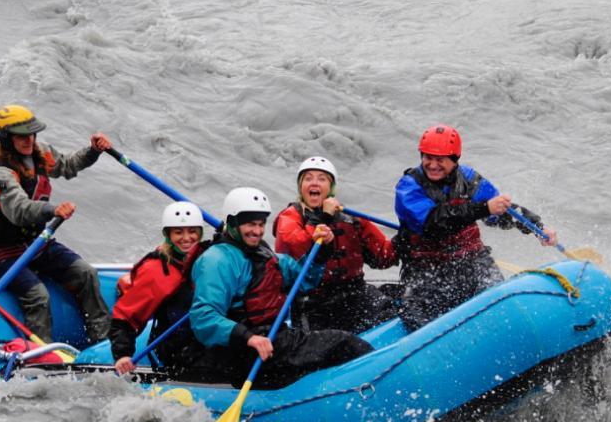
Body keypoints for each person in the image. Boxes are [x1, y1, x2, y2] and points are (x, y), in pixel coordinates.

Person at [185, 187, 374, 387]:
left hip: (274, 342)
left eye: (260, 224)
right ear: (232, 223)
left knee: (336, 346)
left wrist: (322, 250)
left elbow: (304, 279)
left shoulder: (264, 254)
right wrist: (248, 338)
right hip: (246, 353)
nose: (257, 231)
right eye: (250, 224)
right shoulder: (217, 260)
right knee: (344, 343)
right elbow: (203, 317)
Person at [0, 104, 112, 344]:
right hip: (1, 250)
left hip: (36, 242)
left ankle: (103, 341)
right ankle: (38, 355)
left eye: (31, 134)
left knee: (85, 273)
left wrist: (93, 151)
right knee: (38, 296)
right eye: (21, 136)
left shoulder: (39, 152)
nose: (29, 140)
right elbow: (20, 211)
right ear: (6, 138)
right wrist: (53, 209)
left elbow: (67, 165)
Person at [393, 124, 558, 330]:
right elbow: (434, 224)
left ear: (454, 159)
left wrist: (537, 228)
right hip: (427, 270)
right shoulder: (409, 187)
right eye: (428, 157)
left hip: (472, 262)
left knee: (498, 302)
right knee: (416, 319)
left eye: (440, 159)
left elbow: (500, 212)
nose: (433, 165)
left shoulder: (469, 179)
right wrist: (483, 209)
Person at [274, 156, 399, 332]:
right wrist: (323, 217)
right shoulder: (290, 217)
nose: (314, 183)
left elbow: (383, 256)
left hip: (355, 294)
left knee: (392, 314)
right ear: (301, 187)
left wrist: (406, 238)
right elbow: (296, 244)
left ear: (331, 188)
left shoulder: (350, 219)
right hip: (313, 303)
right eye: (308, 178)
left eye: (322, 179)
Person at [110, 201, 206, 375]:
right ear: (168, 235)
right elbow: (125, 317)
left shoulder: (208, 258)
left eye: (192, 231)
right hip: (178, 349)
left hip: (204, 338)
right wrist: (123, 355)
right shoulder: (155, 270)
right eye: (178, 232)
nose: (186, 238)